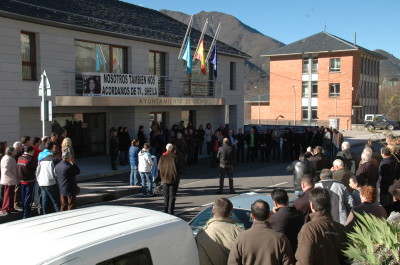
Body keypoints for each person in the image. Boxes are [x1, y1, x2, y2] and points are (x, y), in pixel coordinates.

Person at [228, 199, 294, 265]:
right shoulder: (280, 239)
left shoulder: (241, 238)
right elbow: (288, 262)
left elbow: (232, 262)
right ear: (270, 214)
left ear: (252, 216)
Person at [295, 187, 348, 265]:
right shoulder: (341, 228)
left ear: (312, 205)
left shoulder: (309, 229)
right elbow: (346, 257)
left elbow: (304, 261)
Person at [196, 198, 244, 265]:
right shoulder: (241, 232)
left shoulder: (202, 235)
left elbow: (202, 261)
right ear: (230, 213)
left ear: (213, 211)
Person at [35, 141, 61, 214]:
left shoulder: (41, 158)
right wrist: (57, 181)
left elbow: (37, 171)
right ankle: (60, 215)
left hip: (42, 182)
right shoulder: (53, 160)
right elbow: (55, 172)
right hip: (51, 182)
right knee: (56, 201)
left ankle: (45, 215)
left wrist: (38, 180)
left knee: (45, 200)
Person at [158, 144, 180, 214]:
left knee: (166, 195)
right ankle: (170, 210)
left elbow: (159, 167)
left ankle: (166, 210)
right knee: (172, 196)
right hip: (173, 179)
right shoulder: (176, 157)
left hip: (164, 178)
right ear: (174, 150)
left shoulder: (162, 157)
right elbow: (180, 168)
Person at [17, 146, 37, 218]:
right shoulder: (29, 159)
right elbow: (34, 169)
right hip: (29, 181)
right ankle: (26, 214)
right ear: (30, 151)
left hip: (22, 181)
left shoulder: (19, 158)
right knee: (28, 199)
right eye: (33, 151)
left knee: (23, 198)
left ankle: (24, 213)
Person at [1, 147, 18, 215]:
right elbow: (6, 170)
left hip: (9, 179)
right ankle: (6, 208)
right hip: (8, 180)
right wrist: (13, 175)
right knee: (8, 194)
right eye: (14, 151)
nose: (15, 152)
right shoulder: (8, 159)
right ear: (11, 152)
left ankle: (10, 207)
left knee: (10, 194)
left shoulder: (8, 158)